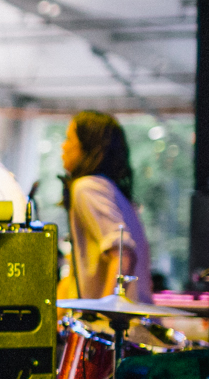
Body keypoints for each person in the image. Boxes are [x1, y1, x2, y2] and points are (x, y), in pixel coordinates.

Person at [60, 111, 151, 301]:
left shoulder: (88, 187)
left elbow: (123, 255)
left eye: (69, 139)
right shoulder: (114, 192)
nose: (64, 146)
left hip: (114, 329)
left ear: (88, 146)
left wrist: (106, 315)